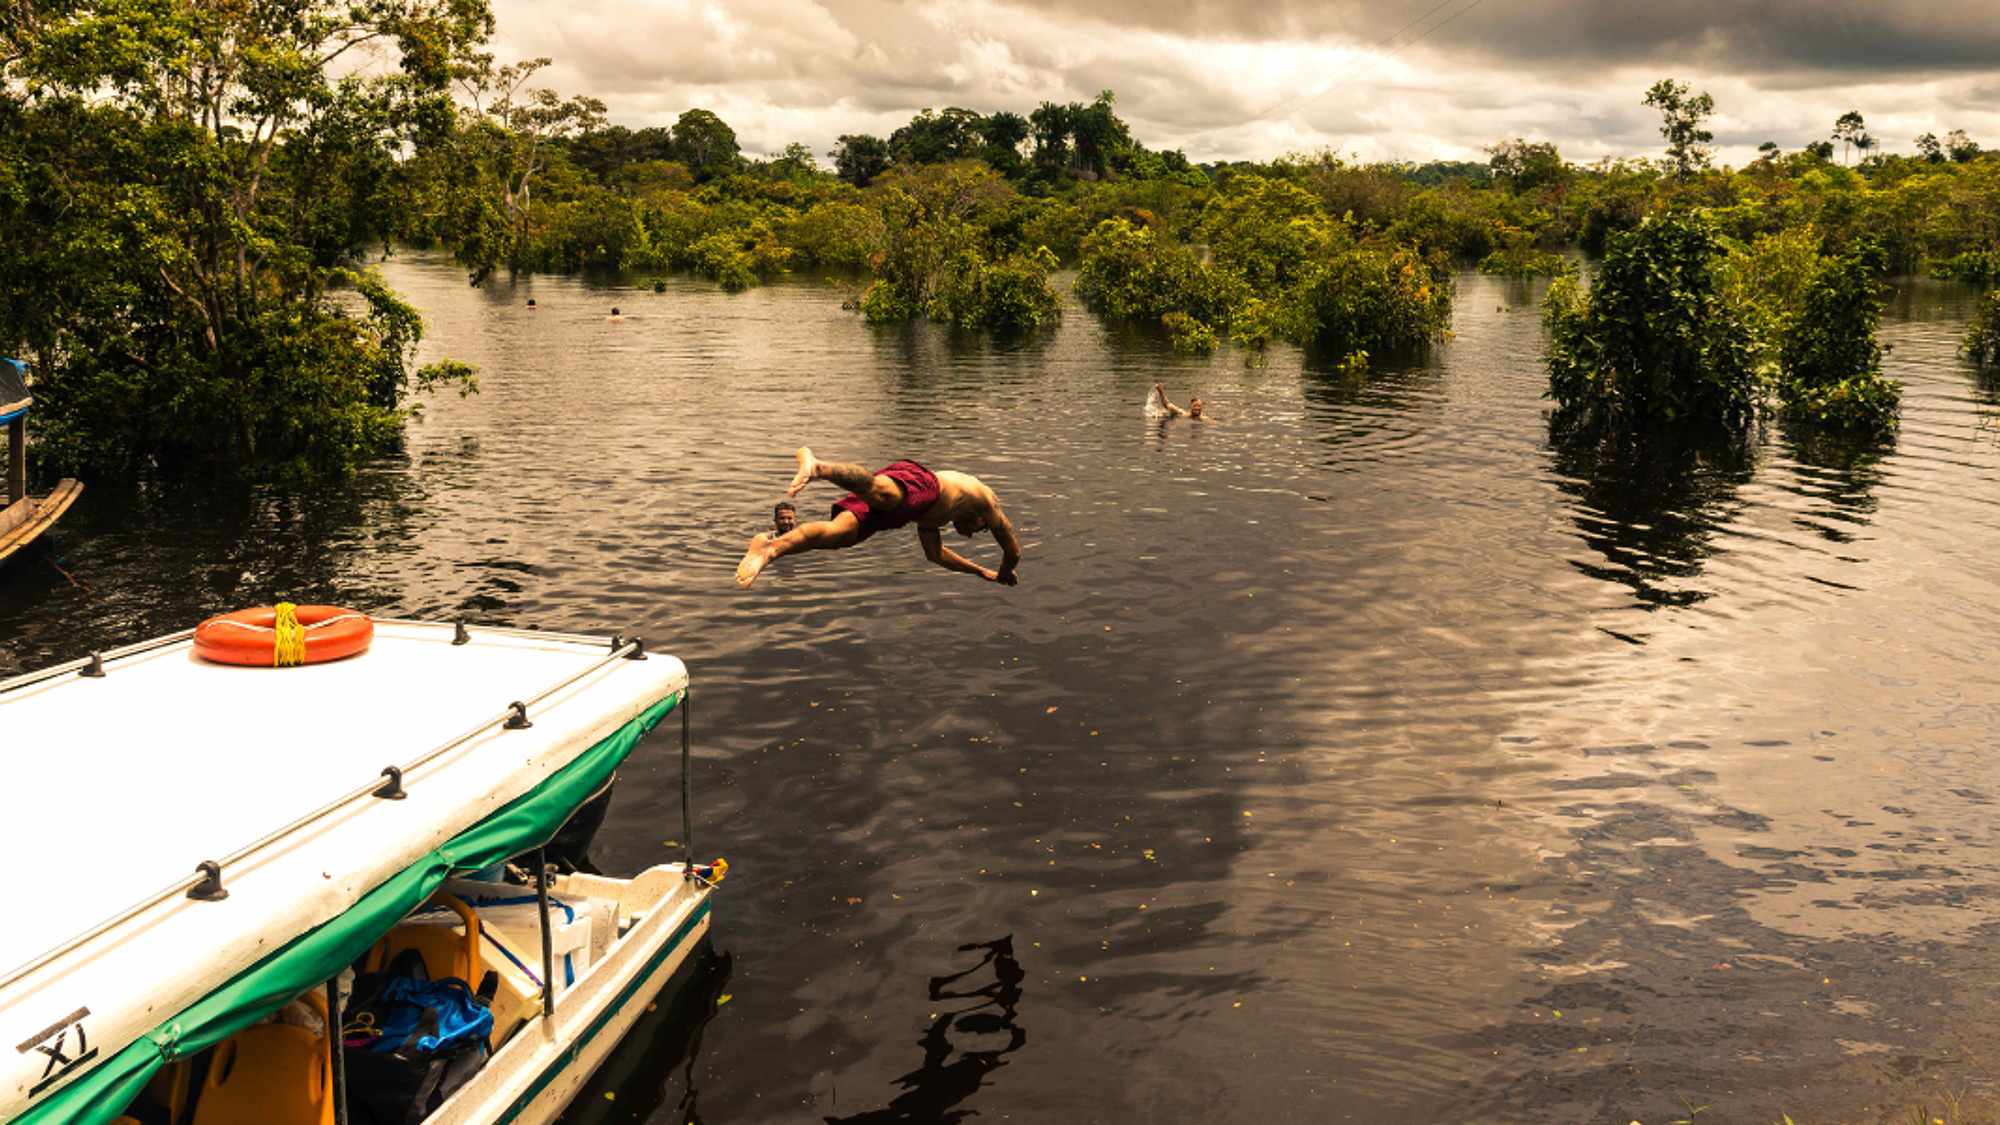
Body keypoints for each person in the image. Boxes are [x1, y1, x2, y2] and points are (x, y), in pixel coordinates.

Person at [736, 447, 1021, 588]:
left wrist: (982, 572)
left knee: (839, 535)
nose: (972, 533)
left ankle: (769, 549)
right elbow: (1012, 549)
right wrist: (1006, 570)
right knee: (879, 491)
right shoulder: (982, 497)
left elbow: (935, 555)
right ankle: (818, 467)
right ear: (982, 516)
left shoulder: (932, 520)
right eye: (980, 529)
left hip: (906, 510)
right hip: (923, 483)